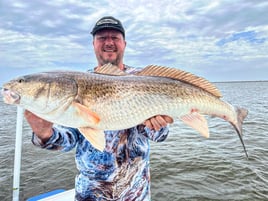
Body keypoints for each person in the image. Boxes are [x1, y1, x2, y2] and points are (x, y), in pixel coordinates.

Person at [24, 16, 174, 201]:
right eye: (102, 37)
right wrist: (43, 133)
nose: (109, 42)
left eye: (114, 37)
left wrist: (156, 126)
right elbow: (68, 140)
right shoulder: (78, 83)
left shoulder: (145, 79)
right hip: (90, 195)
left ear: (124, 44)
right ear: (94, 44)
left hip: (136, 194)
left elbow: (160, 136)